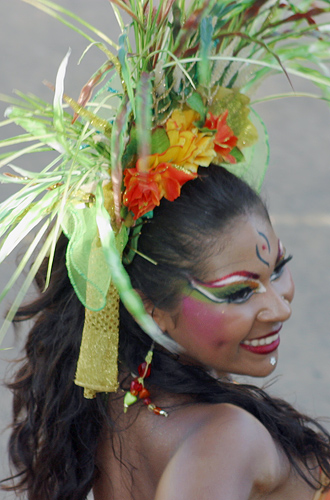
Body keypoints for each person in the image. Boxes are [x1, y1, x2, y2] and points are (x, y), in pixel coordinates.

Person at [1, 1, 330, 499]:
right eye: (239, 293)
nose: (278, 304)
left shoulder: (120, 406)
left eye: (277, 268)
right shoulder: (224, 439)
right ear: (150, 307)